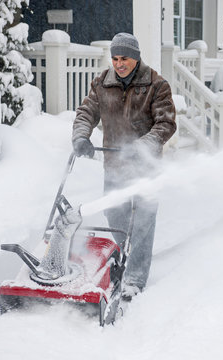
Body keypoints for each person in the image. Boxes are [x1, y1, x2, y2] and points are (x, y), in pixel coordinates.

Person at [72, 32, 176, 299]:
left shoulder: (156, 84)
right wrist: (81, 136)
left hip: (146, 169)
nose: (119, 64)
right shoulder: (102, 83)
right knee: (116, 218)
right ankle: (124, 259)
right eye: (115, 58)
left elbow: (166, 123)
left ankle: (135, 279)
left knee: (142, 223)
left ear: (136, 57)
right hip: (115, 165)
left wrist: (143, 146)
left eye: (125, 58)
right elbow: (86, 112)